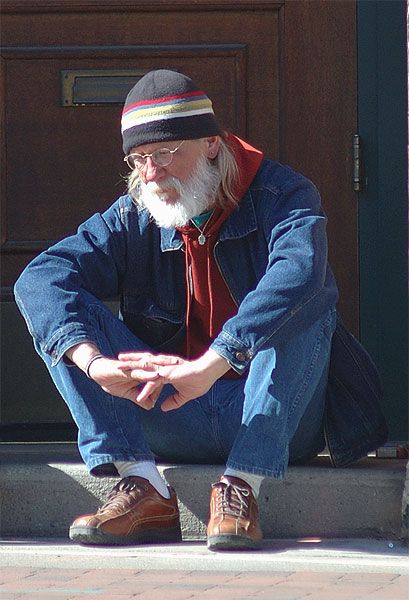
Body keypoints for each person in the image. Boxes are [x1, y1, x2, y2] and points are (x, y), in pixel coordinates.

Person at [15, 69, 340, 551]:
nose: (150, 173)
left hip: (272, 418)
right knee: (60, 310)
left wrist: (214, 363)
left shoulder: (283, 195)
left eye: (165, 153)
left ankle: (241, 486)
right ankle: (142, 483)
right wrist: (96, 364)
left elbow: (300, 274)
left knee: (305, 294)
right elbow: (40, 277)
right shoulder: (133, 213)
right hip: (168, 407)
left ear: (211, 144)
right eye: (139, 158)